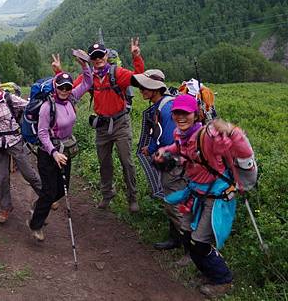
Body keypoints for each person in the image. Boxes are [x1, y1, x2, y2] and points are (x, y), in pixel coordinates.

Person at [154, 94, 253, 298]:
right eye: (176, 113)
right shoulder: (180, 134)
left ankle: (223, 279)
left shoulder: (208, 136)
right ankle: (207, 272)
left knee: (199, 242)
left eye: (185, 113)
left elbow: (241, 149)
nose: (180, 117)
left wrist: (233, 132)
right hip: (196, 192)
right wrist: (165, 151)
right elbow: (179, 148)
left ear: (195, 113)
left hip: (215, 196)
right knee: (186, 233)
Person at [28, 54, 92, 241]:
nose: (65, 90)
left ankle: (38, 205)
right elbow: (42, 133)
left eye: (68, 87)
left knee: (61, 190)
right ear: (55, 87)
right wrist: (54, 153)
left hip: (65, 150)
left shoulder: (72, 98)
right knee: (49, 192)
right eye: (61, 87)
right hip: (48, 153)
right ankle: (35, 224)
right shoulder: (48, 107)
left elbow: (88, 83)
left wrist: (84, 66)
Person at [132, 70, 190, 264]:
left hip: (174, 164)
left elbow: (167, 138)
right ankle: (175, 239)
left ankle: (193, 251)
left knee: (174, 205)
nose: (140, 90)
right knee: (172, 199)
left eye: (144, 86)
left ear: (155, 88)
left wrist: (154, 148)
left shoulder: (165, 109)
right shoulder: (164, 104)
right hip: (176, 161)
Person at [0, 73, 42, 223]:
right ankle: (5, 208)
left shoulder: (10, 99)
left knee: (28, 173)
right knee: (1, 178)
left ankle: (46, 196)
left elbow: (30, 107)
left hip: (15, 141)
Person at [88, 39, 144, 212]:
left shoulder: (117, 73)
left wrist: (136, 56)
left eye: (100, 55)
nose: (98, 59)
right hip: (102, 126)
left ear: (106, 55)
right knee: (104, 162)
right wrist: (59, 72)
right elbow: (70, 89)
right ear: (91, 60)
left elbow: (139, 78)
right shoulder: (89, 77)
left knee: (126, 162)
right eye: (94, 57)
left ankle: (132, 198)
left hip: (120, 123)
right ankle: (107, 194)